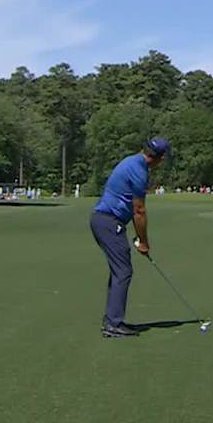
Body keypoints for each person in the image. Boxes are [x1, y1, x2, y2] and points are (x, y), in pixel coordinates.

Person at [89, 137, 170, 338]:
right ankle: (113, 323)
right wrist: (143, 241)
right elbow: (139, 211)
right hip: (108, 222)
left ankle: (111, 320)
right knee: (123, 271)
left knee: (119, 271)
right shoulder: (139, 171)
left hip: (105, 221)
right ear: (159, 158)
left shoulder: (132, 161)